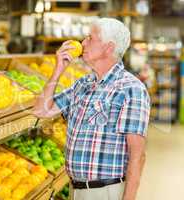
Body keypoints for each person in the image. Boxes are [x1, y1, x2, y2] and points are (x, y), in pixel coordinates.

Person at [33, 18, 150, 200]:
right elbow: (41, 111)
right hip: (76, 189)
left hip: (105, 192)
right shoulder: (83, 84)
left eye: (90, 38)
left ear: (108, 47)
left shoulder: (130, 89)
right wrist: (58, 70)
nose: (83, 43)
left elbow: (137, 156)